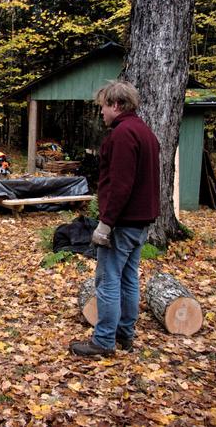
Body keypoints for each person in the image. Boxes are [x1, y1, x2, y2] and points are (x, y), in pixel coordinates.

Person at [70, 80, 160, 358]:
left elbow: (121, 185)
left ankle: (104, 341)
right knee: (129, 279)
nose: (101, 113)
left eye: (104, 107)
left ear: (117, 105)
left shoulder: (123, 135)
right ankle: (124, 335)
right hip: (140, 221)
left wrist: (106, 223)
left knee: (108, 281)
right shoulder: (145, 132)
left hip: (122, 222)